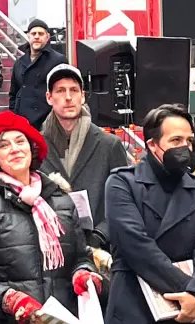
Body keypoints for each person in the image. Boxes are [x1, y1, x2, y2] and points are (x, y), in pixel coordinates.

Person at [0, 111, 101, 323]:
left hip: (62, 317)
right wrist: (9, 300)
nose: (15, 149)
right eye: (4, 145)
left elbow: (81, 257)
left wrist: (84, 273)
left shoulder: (61, 201)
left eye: (20, 141)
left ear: (32, 148)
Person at [105, 104, 195, 324]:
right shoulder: (122, 182)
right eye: (176, 141)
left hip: (190, 311)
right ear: (153, 145)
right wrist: (189, 291)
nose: (185, 148)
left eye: (189, 141)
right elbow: (136, 246)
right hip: (134, 303)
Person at [41, 64, 128, 251]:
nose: (68, 97)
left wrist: (101, 234)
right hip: (51, 249)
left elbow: (125, 199)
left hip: (100, 249)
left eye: (74, 90)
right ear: (49, 97)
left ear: (83, 96)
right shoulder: (35, 147)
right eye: (60, 90)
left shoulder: (109, 145)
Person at [9, 19, 68, 130]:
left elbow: (63, 91)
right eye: (33, 33)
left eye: (40, 34)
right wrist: (14, 114)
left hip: (47, 122)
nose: (36, 36)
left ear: (47, 37)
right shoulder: (19, 62)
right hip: (22, 120)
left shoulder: (58, 60)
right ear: (28, 36)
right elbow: (14, 92)